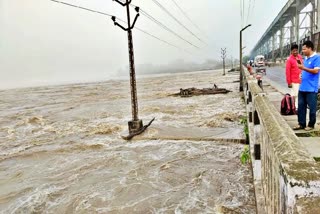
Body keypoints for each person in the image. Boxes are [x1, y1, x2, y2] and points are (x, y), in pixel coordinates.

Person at [293, 41, 320, 131]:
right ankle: (301, 123)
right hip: (303, 87)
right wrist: (302, 73)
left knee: (312, 108)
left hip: (311, 88)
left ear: (310, 48)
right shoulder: (306, 58)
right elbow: (305, 70)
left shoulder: (317, 58)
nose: (303, 51)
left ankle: (311, 125)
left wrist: (303, 68)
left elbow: (316, 71)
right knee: (301, 106)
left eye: (304, 49)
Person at [286, 44, 303, 109]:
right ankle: (295, 108)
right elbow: (287, 72)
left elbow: (302, 67)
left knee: (300, 94)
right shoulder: (289, 60)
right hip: (293, 81)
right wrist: (289, 82)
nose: (295, 52)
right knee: (295, 95)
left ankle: (297, 107)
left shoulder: (300, 57)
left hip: (300, 80)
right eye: (294, 51)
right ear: (291, 51)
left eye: (296, 50)